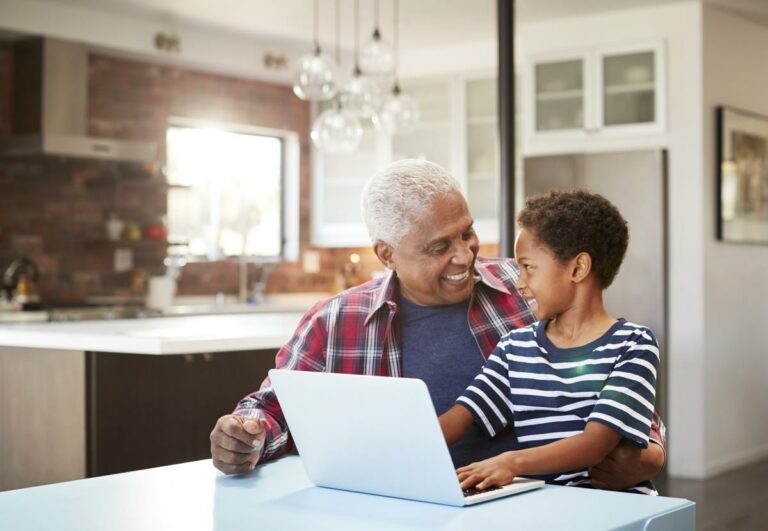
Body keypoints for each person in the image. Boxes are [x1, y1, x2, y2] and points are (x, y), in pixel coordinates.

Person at [209, 159, 666, 490]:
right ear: (386, 253)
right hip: (405, 508)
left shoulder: (528, 289)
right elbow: (273, 406)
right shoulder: (335, 321)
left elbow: (617, 391)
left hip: (528, 501)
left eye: (467, 233)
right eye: (438, 246)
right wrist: (246, 434)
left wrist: (646, 456)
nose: (465, 255)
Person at [440, 189, 659, 495]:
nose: (519, 283)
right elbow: (462, 416)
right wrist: (401, 444)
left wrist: (512, 462)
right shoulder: (513, 348)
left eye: (528, 267)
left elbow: (595, 444)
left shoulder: (633, 345)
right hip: (544, 506)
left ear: (578, 268)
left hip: (613, 507)